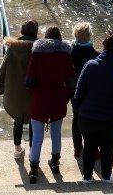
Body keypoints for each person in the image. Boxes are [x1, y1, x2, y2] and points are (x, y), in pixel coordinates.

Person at [72, 32, 113, 184]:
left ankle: (86, 178)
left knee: (89, 146)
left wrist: (78, 111)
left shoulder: (90, 65)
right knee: (108, 148)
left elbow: (78, 92)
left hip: (87, 116)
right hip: (112, 119)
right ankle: (106, 177)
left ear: (103, 47)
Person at [25, 26, 75, 183]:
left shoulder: (36, 55)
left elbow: (29, 81)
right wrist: (65, 96)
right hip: (58, 99)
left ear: (45, 38)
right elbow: (72, 83)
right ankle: (55, 164)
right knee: (56, 134)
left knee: (38, 137)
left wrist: (33, 93)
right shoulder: (66, 56)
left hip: (39, 100)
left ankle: (33, 170)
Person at [0, 19, 38, 160]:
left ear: (22, 32)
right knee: (34, 122)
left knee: (17, 120)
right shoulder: (39, 49)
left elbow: (1, 72)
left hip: (15, 93)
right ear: (36, 32)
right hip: (34, 93)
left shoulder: (12, 49)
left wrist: (1, 89)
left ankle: (17, 149)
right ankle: (33, 151)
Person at [70, 22, 99, 160]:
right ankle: (93, 149)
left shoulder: (69, 53)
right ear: (89, 36)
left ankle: (77, 147)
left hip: (74, 91)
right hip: (90, 91)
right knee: (92, 119)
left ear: (75, 36)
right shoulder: (95, 55)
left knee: (76, 119)